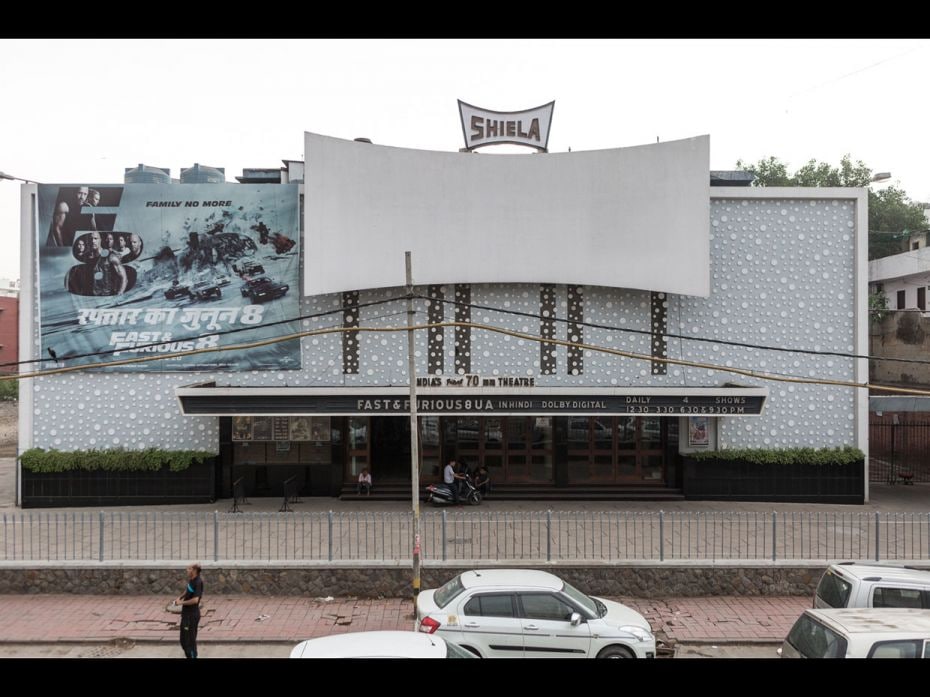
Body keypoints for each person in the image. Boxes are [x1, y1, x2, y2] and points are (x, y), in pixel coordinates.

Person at [173, 562, 204, 659]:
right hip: (186, 616)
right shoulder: (192, 580)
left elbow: (195, 600)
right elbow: (188, 590)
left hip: (191, 616)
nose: (187, 570)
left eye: (189, 569)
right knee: (183, 641)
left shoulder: (198, 582)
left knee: (189, 642)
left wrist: (181, 603)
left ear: (194, 571)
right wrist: (180, 597)